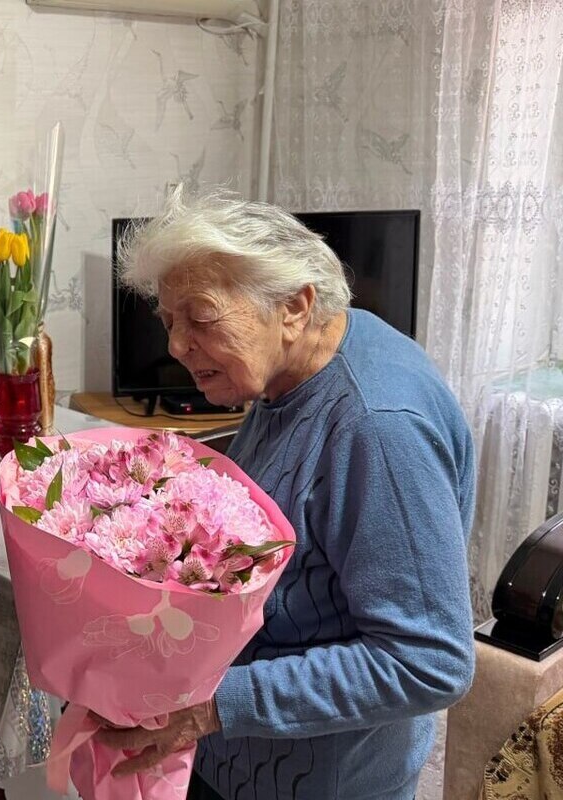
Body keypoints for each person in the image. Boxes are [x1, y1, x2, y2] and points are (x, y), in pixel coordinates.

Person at [109, 189, 476, 800]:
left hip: (319, 779)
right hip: (232, 751)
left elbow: (428, 662)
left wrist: (211, 707)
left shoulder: (378, 426)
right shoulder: (289, 369)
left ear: (294, 307)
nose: (176, 345)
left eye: (200, 316)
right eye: (169, 321)